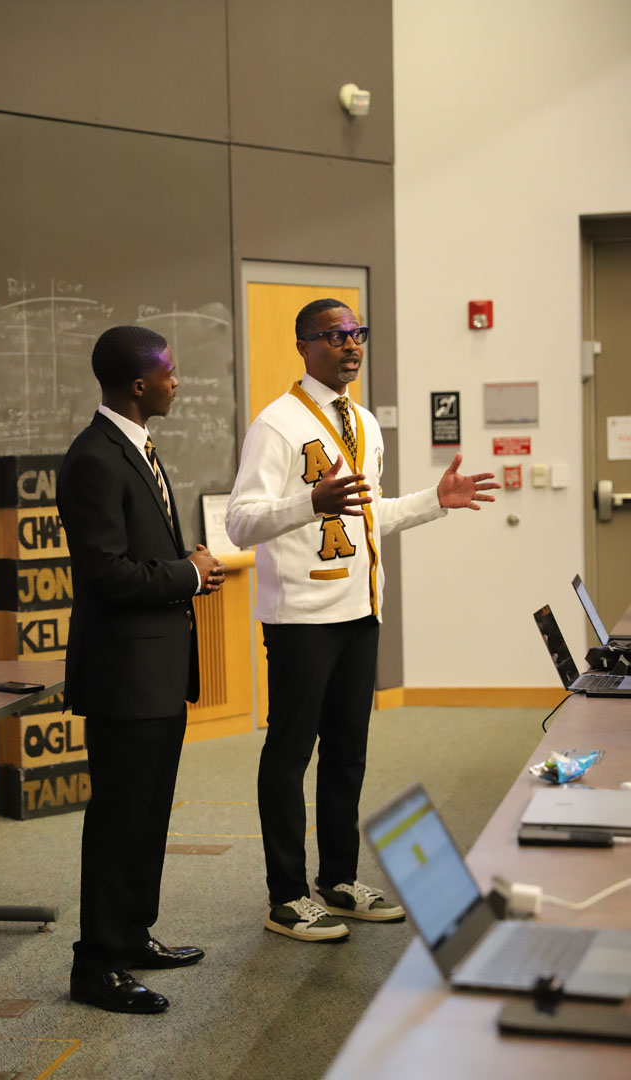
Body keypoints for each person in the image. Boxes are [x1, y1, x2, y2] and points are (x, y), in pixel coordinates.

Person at [225, 298, 500, 942]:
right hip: (301, 620)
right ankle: (286, 896)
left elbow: (370, 517)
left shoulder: (364, 423)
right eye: (336, 335)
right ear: (304, 346)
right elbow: (239, 523)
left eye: (358, 333)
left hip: (359, 612)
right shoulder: (277, 424)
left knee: (347, 753)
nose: (352, 345)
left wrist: (434, 501)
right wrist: (308, 502)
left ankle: (339, 880)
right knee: (290, 753)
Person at [57, 325, 227, 1012]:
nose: (177, 381)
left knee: (149, 815)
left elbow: (140, 555)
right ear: (138, 384)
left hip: (156, 673)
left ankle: (132, 935)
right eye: (169, 372)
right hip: (124, 678)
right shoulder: (93, 459)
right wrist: (189, 574)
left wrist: (185, 567)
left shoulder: (138, 448)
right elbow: (106, 573)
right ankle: (96, 965)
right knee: (118, 822)